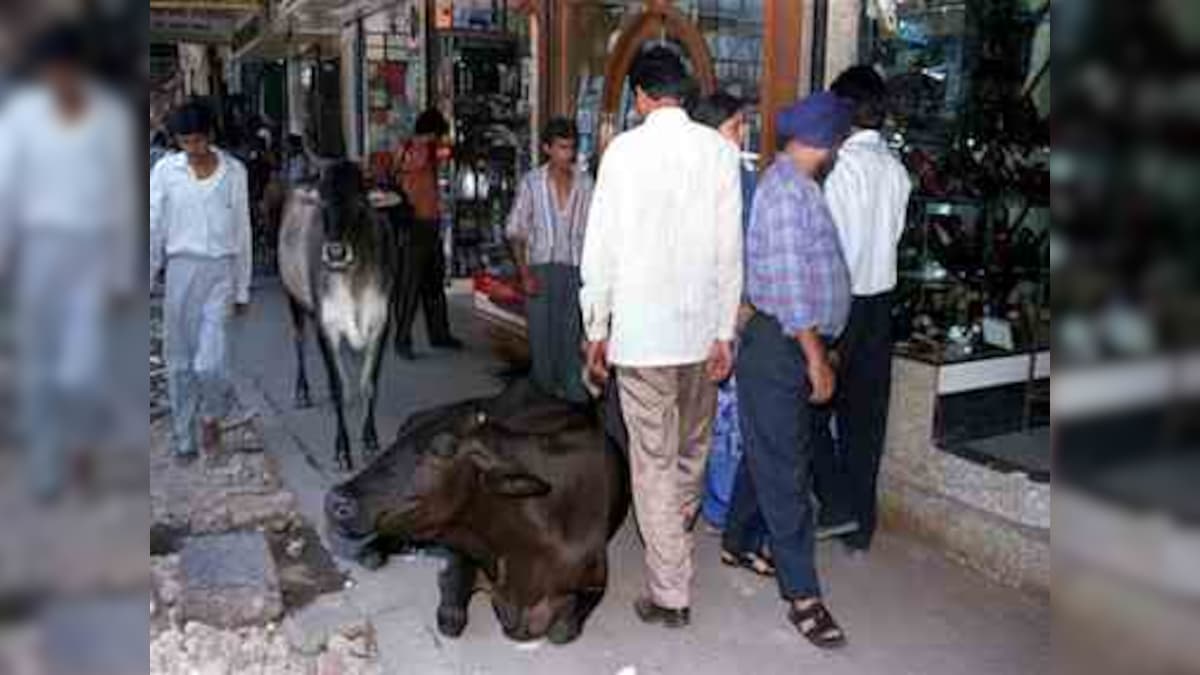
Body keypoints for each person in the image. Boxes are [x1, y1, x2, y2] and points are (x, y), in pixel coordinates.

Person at [580, 47, 742, 628]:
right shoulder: (719, 153)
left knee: (652, 462)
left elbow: (600, 251)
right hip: (701, 337)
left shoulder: (621, 154)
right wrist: (725, 331)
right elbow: (731, 251)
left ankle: (671, 591)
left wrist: (596, 328)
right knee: (691, 454)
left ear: (641, 97)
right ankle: (676, 542)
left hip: (643, 340)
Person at [0, 23, 137, 499]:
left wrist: (122, 272)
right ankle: (44, 465)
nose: (61, 77)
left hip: (92, 251)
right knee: (37, 364)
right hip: (38, 250)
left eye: (69, 69)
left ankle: (80, 448)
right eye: (53, 70)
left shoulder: (109, 118)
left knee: (83, 364)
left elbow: (121, 198)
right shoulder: (22, 119)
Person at [737, 92, 853, 649]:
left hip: (792, 341)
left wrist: (821, 345)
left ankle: (738, 538)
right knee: (787, 472)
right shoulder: (786, 192)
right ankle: (803, 597)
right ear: (825, 142)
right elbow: (788, 287)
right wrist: (815, 355)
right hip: (784, 345)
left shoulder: (798, 186)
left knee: (771, 449)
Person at [816, 66, 913, 554]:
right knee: (866, 422)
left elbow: (836, 252)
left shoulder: (841, 173)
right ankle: (860, 528)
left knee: (810, 415)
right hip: (881, 307)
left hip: (843, 304)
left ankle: (834, 505)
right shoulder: (897, 171)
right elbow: (892, 237)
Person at [689, 92, 775, 574]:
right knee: (724, 419)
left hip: (697, 313)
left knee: (709, 415)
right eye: (736, 125)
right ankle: (719, 508)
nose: (742, 134)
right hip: (724, 313)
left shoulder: (693, 176)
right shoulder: (736, 178)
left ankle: (708, 503)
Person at [149, 101, 252, 463]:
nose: (192, 149)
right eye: (185, 142)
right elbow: (153, 227)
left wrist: (242, 287)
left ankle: (210, 418)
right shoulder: (165, 171)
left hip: (220, 272)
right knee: (178, 361)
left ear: (209, 136)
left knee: (211, 362)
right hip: (180, 271)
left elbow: (243, 232)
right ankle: (183, 436)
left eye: (197, 141)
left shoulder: (234, 172)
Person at [506, 117, 593, 403]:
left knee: (570, 340)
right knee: (541, 343)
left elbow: (595, 230)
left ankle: (572, 403)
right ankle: (542, 405)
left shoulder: (585, 184)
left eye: (570, 148)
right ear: (547, 148)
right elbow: (516, 231)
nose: (566, 154)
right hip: (540, 271)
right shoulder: (532, 183)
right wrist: (525, 273)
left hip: (575, 272)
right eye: (560, 148)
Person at [393, 108, 462, 359]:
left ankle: (438, 335)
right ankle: (404, 340)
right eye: (437, 134)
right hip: (417, 224)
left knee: (431, 285)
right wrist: (432, 145)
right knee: (412, 287)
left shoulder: (415, 148)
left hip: (428, 223)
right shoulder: (417, 149)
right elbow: (435, 155)